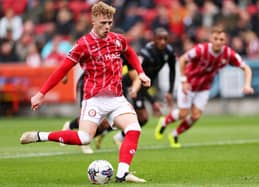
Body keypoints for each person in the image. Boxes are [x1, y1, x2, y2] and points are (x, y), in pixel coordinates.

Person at [19, 1, 150, 183]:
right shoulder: (83, 44)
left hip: (117, 98)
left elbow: (130, 54)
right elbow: (61, 69)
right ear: (93, 20)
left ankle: (123, 173)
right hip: (94, 99)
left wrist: (141, 73)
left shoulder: (118, 40)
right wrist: (41, 94)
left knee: (134, 128)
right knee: (84, 138)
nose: (107, 26)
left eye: (109, 22)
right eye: (103, 22)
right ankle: (41, 136)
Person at [154, 25, 254, 148]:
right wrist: (184, 81)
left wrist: (247, 84)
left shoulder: (228, 53)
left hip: (204, 88)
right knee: (183, 114)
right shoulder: (201, 49)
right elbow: (183, 59)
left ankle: (174, 134)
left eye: (221, 39)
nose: (218, 42)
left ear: (225, 41)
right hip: (189, 84)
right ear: (210, 39)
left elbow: (246, 68)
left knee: (195, 116)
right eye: (216, 38)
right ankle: (164, 122)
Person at [112, 27, 176, 147]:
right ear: (153, 39)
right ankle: (110, 133)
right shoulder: (145, 54)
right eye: (159, 39)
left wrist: (170, 91)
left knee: (141, 118)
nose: (163, 42)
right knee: (139, 117)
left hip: (143, 86)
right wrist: (153, 102)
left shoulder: (169, 52)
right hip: (131, 85)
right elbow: (137, 79)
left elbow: (172, 71)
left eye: (165, 39)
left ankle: (117, 137)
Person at [61, 58, 142, 154]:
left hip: (109, 88)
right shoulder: (99, 47)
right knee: (91, 118)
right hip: (89, 84)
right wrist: (64, 73)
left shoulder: (122, 51)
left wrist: (134, 89)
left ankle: (71, 126)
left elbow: (135, 76)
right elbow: (73, 57)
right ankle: (82, 140)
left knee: (105, 124)